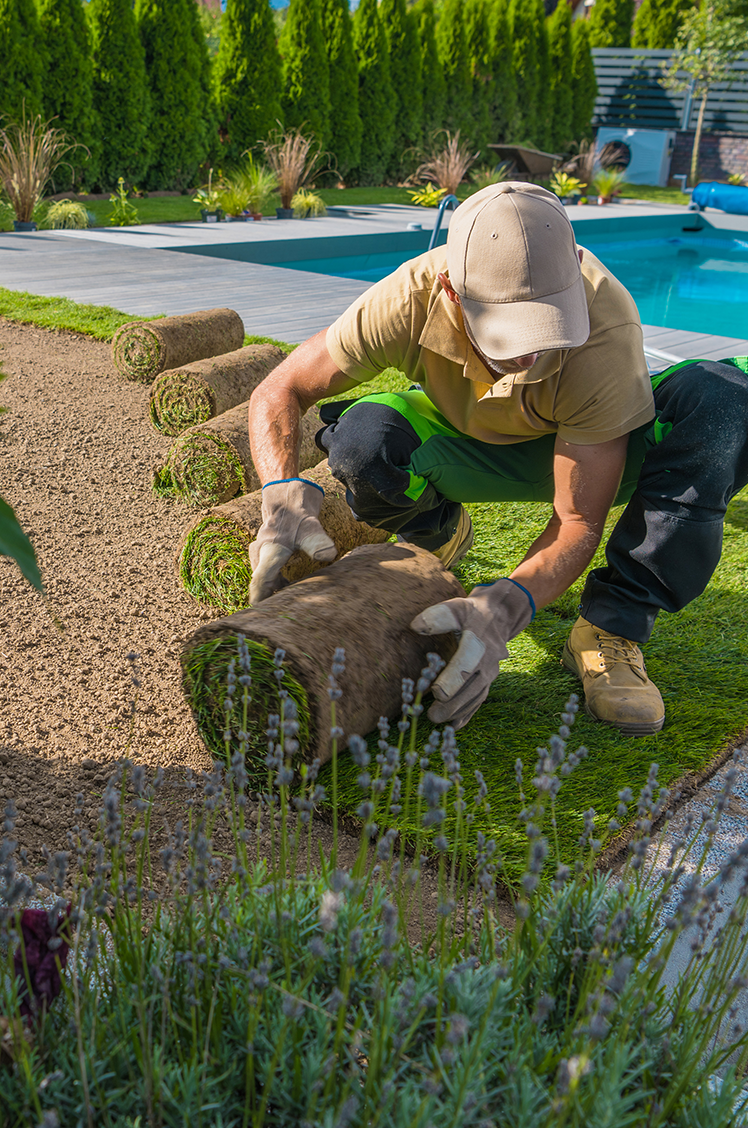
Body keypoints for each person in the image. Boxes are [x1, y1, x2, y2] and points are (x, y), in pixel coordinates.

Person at [248, 182, 748, 735]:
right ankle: (438, 532)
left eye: (549, 321)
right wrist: (280, 493)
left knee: (726, 402)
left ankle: (610, 626)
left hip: (598, 445)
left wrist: (505, 608)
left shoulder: (605, 323)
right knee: (363, 440)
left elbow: (577, 520)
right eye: (513, 328)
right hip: (471, 438)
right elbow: (282, 388)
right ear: (452, 292)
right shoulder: (405, 299)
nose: (533, 350)